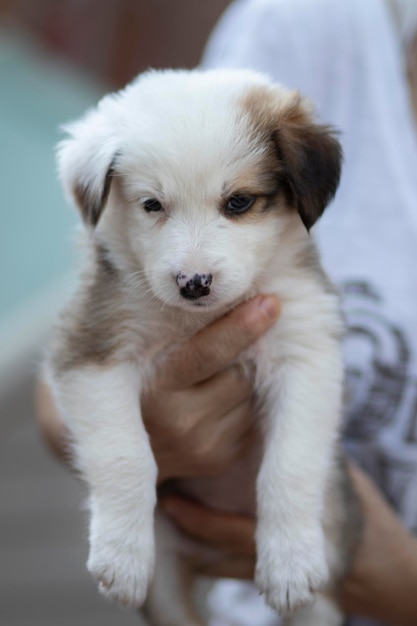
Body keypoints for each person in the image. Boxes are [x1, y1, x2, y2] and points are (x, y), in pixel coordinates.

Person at [37, 0, 417, 624]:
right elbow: (70, 385)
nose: (193, 269)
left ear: (302, 190)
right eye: (153, 206)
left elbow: (308, 372)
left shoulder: (291, 239)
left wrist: (304, 530)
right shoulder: (305, 26)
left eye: (238, 204)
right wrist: (127, 488)